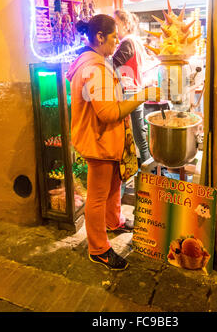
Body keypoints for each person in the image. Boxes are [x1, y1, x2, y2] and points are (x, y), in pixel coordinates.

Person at [66, 15, 160, 271]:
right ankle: (98, 249)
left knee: (112, 187)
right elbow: (107, 113)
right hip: (99, 141)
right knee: (97, 197)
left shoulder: (96, 62)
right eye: (114, 36)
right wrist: (143, 96)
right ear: (99, 37)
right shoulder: (94, 67)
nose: (117, 41)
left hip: (107, 140)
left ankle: (114, 220)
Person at [113, 10, 157, 166]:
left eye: (116, 23)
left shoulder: (127, 42)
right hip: (136, 91)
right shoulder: (136, 41)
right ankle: (148, 175)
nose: (114, 27)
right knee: (140, 137)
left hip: (127, 93)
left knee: (126, 137)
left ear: (125, 24)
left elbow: (113, 65)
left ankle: (132, 177)